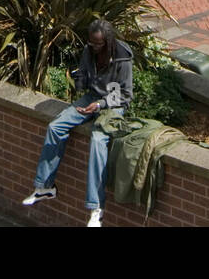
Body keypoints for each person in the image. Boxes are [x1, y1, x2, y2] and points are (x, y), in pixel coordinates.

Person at [23, 19, 133, 227]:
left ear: (108, 41)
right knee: (56, 127)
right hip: (92, 98)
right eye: (92, 42)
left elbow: (126, 95)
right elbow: (84, 80)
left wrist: (100, 105)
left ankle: (96, 208)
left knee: (98, 141)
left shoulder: (122, 58)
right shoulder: (88, 50)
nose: (94, 47)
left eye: (98, 43)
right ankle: (45, 186)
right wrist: (79, 79)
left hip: (112, 104)